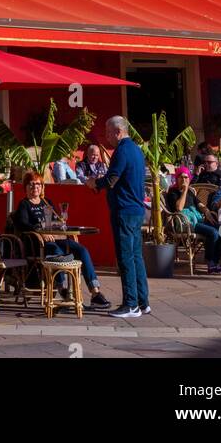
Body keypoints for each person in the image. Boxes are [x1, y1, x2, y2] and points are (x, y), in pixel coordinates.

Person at [13, 172, 110, 309]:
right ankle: (63, 289)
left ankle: (95, 293)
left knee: (81, 250)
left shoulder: (47, 202)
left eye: (38, 184)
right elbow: (22, 224)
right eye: (31, 184)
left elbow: (56, 222)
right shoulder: (24, 204)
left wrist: (61, 223)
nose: (35, 187)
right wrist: (40, 233)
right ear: (26, 187)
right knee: (56, 251)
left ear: (42, 186)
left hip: (56, 238)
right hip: (40, 243)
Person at [87, 115, 149, 319]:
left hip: (124, 209)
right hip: (136, 209)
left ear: (118, 132)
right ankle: (143, 301)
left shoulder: (122, 150)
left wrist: (95, 183)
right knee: (136, 256)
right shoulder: (137, 150)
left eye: (107, 132)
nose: (106, 137)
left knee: (125, 257)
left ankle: (130, 304)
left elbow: (112, 178)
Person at [165, 168, 221, 273]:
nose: (183, 180)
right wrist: (184, 191)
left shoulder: (190, 192)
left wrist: (207, 211)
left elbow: (199, 204)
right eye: (181, 177)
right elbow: (179, 208)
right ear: (177, 178)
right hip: (186, 222)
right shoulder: (173, 192)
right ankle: (210, 264)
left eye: (186, 177)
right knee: (213, 233)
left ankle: (216, 261)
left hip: (197, 219)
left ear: (189, 179)